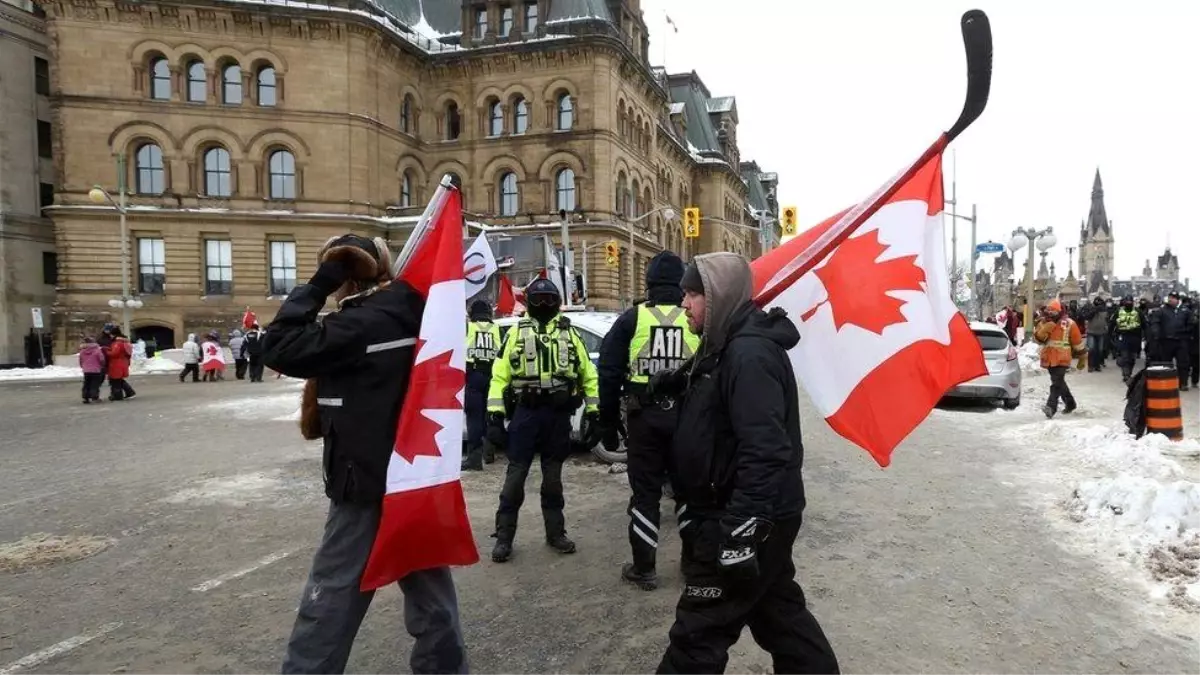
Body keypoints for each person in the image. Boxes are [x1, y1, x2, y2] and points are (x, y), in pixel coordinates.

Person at [264, 233, 468, 675]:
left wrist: (319, 283)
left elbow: (277, 347)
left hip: (365, 481)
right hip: (414, 476)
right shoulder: (416, 311)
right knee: (432, 599)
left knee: (331, 595)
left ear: (345, 274)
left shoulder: (362, 323)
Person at [649, 253, 839, 675]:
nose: (684, 303)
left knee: (698, 633)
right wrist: (676, 385)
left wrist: (741, 528)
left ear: (719, 297)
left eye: (694, 293)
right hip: (743, 510)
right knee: (779, 617)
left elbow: (766, 449)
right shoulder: (725, 348)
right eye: (684, 292)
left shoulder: (749, 355)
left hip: (742, 515)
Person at [597, 250, 698, 591]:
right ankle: (692, 564)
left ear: (649, 282)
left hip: (645, 420)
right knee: (688, 494)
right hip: (686, 418)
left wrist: (608, 424)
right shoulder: (693, 316)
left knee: (645, 495)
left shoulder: (632, 318)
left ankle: (645, 569)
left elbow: (609, 373)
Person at [486, 278, 600, 563]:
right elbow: (499, 376)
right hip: (526, 414)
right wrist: (495, 416)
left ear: (557, 302)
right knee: (515, 477)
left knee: (553, 480)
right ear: (530, 304)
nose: (545, 305)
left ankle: (555, 533)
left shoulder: (569, 333)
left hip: (557, 416)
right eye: (539, 300)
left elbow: (589, 374)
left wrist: (595, 413)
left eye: (550, 300)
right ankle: (503, 537)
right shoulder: (515, 333)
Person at [463, 300, 502, 471]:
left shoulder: (468, 328)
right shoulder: (497, 329)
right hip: (493, 378)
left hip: (473, 376)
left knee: (474, 419)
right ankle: (489, 453)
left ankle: (474, 459)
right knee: (490, 416)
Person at [1033, 300, 1086, 418]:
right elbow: (1037, 339)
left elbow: (1077, 341)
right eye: (1049, 310)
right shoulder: (1043, 322)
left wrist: (1082, 356)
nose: (1051, 312)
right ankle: (1070, 403)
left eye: (1053, 310)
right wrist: (1045, 329)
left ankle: (1051, 407)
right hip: (1049, 357)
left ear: (1059, 311)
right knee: (1059, 382)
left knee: (1056, 383)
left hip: (1063, 357)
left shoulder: (1069, 323)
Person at [1148, 291, 1194, 390]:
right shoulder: (1162, 310)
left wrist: (1185, 333)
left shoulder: (1185, 311)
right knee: (1166, 363)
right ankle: (1167, 382)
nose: (1170, 299)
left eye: (1173, 298)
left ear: (1178, 300)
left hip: (1181, 341)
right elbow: (1155, 322)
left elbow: (1191, 324)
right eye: (1169, 297)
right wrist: (1156, 333)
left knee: (1183, 363)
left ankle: (1183, 383)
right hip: (1166, 341)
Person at [1113, 296, 1143, 383]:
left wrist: (1147, 336)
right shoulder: (1118, 311)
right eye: (1127, 301)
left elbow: (1144, 324)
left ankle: (1129, 372)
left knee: (1132, 358)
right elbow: (1112, 323)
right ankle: (1126, 374)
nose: (1129, 303)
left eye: (1130, 301)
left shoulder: (1138, 311)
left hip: (1135, 337)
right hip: (1123, 337)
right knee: (1125, 356)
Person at [104, 327, 136, 401]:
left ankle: (118, 395)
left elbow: (114, 353)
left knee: (116, 380)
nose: (110, 336)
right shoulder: (124, 342)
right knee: (119, 380)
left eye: (111, 334)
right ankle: (129, 392)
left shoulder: (117, 343)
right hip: (122, 362)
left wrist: (106, 351)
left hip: (117, 363)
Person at [1081, 296, 1109, 372]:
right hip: (1091, 332)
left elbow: (1107, 320)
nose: (1098, 304)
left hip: (1101, 332)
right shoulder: (1091, 309)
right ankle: (1090, 366)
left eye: (1099, 302)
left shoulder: (1105, 310)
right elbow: (1086, 317)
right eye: (1097, 302)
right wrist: (1094, 310)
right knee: (1092, 349)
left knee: (1100, 350)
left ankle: (1097, 365)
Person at [79, 336, 106, 404]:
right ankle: (94, 397)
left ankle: (86, 397)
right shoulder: (97, 350)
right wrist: (102, 365)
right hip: (96, 370)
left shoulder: (82, 351)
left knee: (86, 384)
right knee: (94, 384)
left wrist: (83, 366)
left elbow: (80, 360)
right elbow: (102, 359)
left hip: (86, 370)